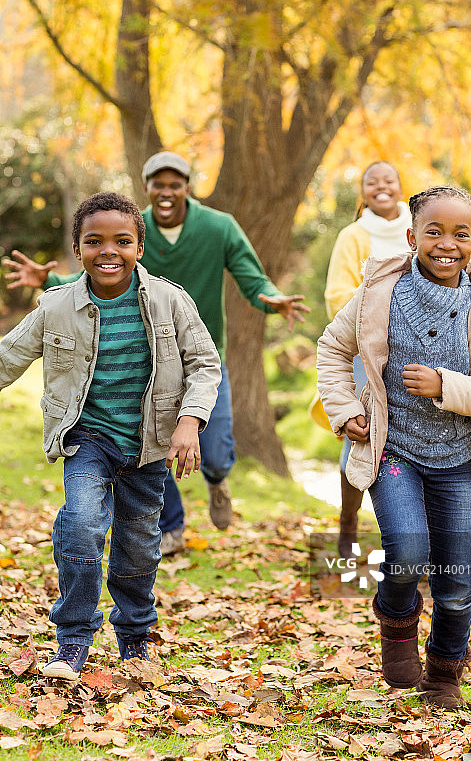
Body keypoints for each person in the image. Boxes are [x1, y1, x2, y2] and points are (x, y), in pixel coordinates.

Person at [2, 152, 309, 556]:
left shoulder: (217, 227)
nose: (166, 192)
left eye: (174, 184)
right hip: (151, 364)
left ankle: (218, 480)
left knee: (215, 452)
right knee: (154, 434)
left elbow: (252, 278)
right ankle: (172, 528)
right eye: (158, 184)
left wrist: (271, 298)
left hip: (200, 355)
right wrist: (50, 280)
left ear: (186, 188)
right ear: (146, 188)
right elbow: (101, 273)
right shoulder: (124, 224)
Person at [317, 185, 471, 708]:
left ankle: (443, 671)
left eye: (460, 234)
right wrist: (345, 410)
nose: (446, 243)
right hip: (393, 450)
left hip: (454, 458)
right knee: (408, 552)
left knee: (456, 582)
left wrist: (444, 385)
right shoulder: (380, 292)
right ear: (412, 237)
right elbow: (333, 347)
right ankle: (396, 625)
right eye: (433, 232)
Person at [0, 192, 221, 679]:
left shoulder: (169, 300)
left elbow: (205, 363)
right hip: (88, 438)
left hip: (148, 442)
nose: (108, 251)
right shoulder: (56, 307)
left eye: (122, 241)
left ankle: (135, 638)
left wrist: (190, 421)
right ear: (77, 249)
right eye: (93, 240)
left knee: (138, 547)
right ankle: (73, 640)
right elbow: (7, 357)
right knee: (82, 524)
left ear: (139, 247)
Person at [320, 162, 411, 558]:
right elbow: (338, 295)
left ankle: (414, 533)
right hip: (368, 348)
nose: (381, 187)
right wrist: (382, 320)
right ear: (364, 192)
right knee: (362, 430)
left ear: (400, 186)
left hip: (418, 349)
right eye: (372, 183)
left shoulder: (420, 226)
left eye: (388, 181)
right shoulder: (354, 235)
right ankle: (348, 522)